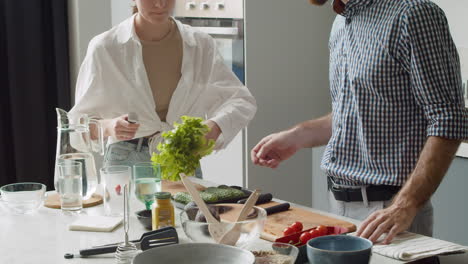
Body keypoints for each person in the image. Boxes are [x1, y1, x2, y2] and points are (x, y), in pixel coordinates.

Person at [252, 0, 468, 244]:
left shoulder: (413, 14)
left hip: (389, 212)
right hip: (337, 205)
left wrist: (405, 204)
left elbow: (448, 117)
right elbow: (354, 111)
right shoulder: (341, 22)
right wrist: (298, 135)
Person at [69, 0, 256, 174]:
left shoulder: (200, 44)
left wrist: (215, 126)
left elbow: (241, 100)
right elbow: (77, 125)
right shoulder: (105, 47)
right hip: (125, 160)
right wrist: (108, 127)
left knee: (187, 211)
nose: (160, 4)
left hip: (182, 159)